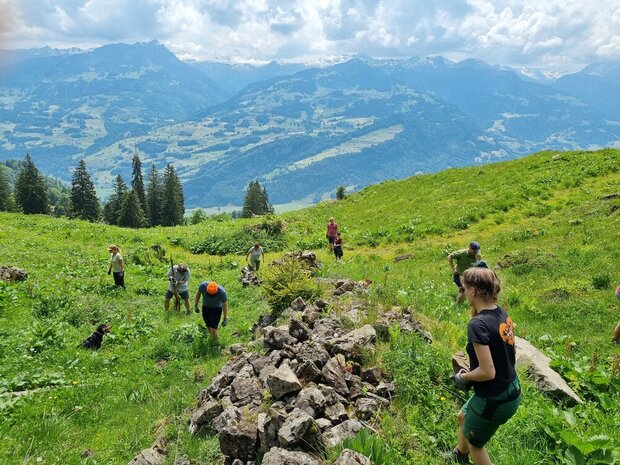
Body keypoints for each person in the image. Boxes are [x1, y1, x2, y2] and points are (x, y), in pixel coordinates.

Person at [451, 267, 521, 465]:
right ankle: (459, 455)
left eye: (464, 288)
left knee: (476, 445)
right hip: (510, 389)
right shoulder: (501, 313)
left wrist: (464, 377)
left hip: (494, 399)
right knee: (462, 416)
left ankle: (468, 452)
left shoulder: (477, 325)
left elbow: (487, 372)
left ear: (473, 291)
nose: (463, 292)